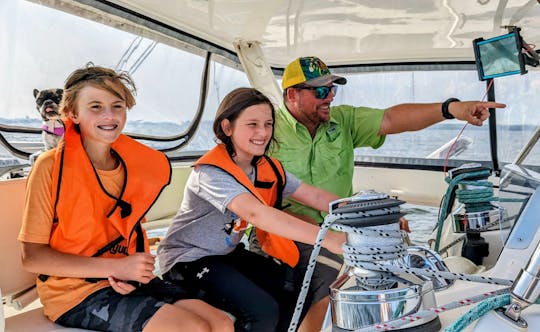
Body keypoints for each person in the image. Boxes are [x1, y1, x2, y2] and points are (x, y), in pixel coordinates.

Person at [267, 56, 507, 330]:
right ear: (292, 94)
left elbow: (392, 119)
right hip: (282, 229)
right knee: (326, 274)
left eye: (333, 89)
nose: (330, 97)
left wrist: (450, 109)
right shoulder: (267, 128)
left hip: (338, 227)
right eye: (321, 91)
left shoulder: (342, 121)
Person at [18, 64, 233, 332]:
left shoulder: (130, 168)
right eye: (95, 106)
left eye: (117, 106)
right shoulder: (49, 167)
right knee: (192, 327)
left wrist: (128, 272)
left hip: (124, 277)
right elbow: (33, 258)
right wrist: (118, 267)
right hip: (73, 293)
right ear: (72, 113)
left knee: (222, 323)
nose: (109, 115)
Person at [157, 87, 346, 332]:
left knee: (293, 289)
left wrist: (362, 211)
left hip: (227, 254)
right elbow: (258, 214)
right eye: (252, 124)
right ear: (227, 127)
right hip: (187, 261)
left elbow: (315, 196)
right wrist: (328, 239)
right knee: (262, 311)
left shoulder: (266, 168)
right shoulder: (211, 173)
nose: (263, 133)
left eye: (268, 124)